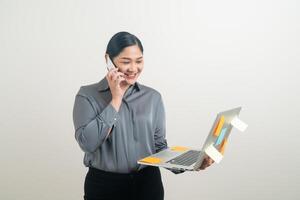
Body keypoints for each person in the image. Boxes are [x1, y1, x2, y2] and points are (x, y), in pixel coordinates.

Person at [72, 31, 214, 200]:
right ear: (108, 59)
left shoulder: (153, 97)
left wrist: (191, 164)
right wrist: (116, 98)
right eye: (126, 62)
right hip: (104, 186)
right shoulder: (87, 96)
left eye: (139, 61)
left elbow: (159, 147)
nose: (133, 68)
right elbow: (88, 143)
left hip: (148, 185)